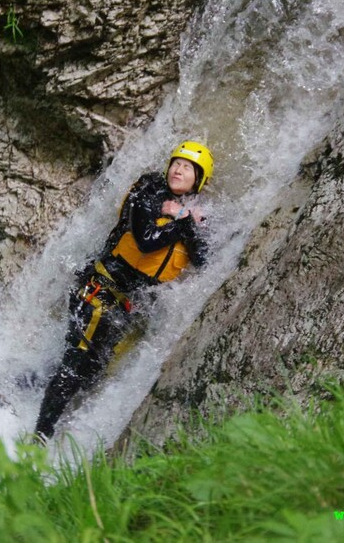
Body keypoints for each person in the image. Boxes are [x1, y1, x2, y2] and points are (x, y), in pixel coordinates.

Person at [34, 140, 214, 441]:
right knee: (75, 362)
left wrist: (187, 221)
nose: (179, 170)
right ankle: (39, 437)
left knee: (92, 371)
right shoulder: (148, 190)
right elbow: (145, 240)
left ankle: (30, 385)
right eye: (176, 163)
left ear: (199, 180)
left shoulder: (191, 211)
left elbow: (201, 257)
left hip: (128, 302)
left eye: (188, 168)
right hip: (100, 286)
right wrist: (182, 222)